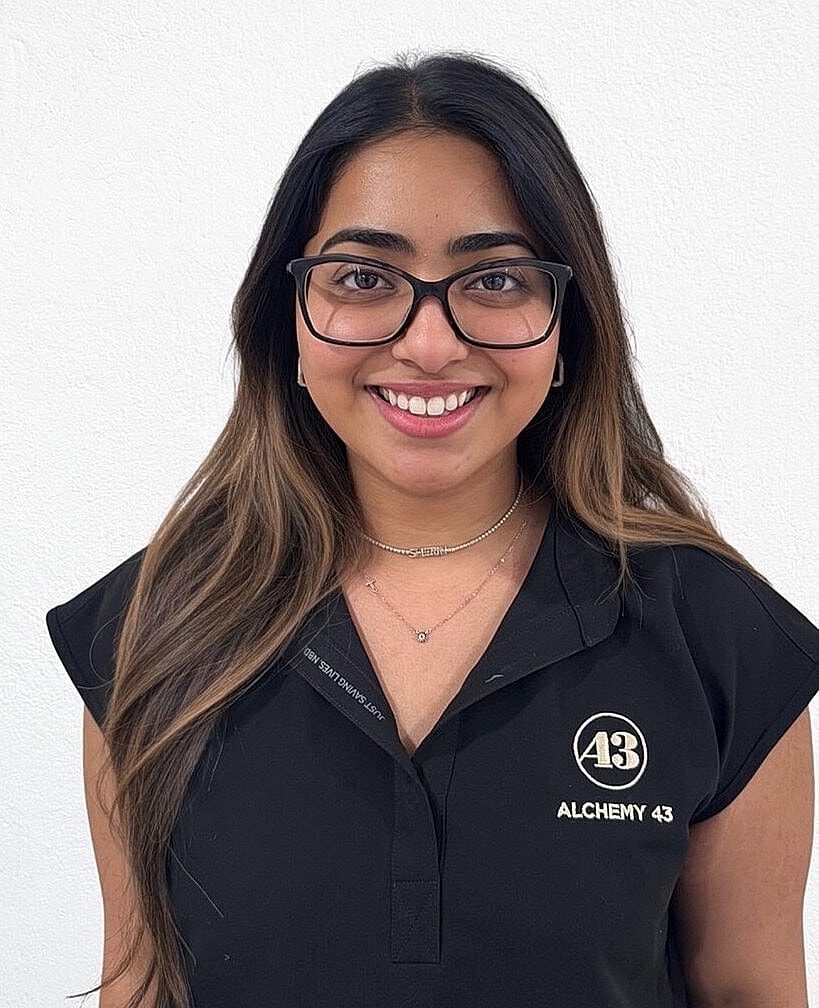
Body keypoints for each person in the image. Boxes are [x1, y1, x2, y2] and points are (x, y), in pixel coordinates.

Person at [47, 53, 818, 1008]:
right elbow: (142, 991)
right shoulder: (148, 633)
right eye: (364, 276)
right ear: (288, 317)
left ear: (565, 324)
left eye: (493, 280)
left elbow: (754, 990)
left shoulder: (716, 635)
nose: (428, 341)